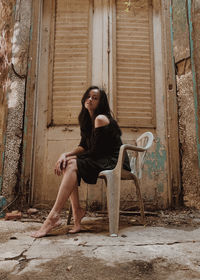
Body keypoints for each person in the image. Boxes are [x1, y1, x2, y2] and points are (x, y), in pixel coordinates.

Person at [31, 86, 130, 238]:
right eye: (88, 96)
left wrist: (69, 158)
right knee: (68, 165)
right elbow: (84, 146)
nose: (90, 99)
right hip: (100, 158)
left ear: (101, 103)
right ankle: (76, 212)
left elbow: (95, 152)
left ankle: (54, 216)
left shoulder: (101, 119)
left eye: (95, 98)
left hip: (112, 161)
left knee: (70, 164)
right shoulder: (87, 119)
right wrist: (65, 154)